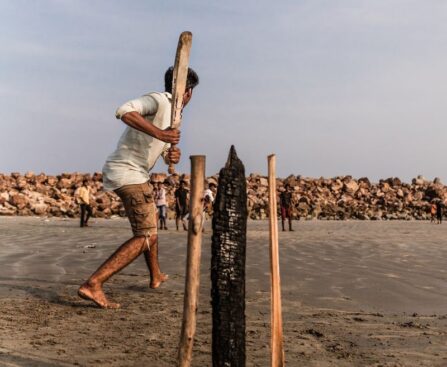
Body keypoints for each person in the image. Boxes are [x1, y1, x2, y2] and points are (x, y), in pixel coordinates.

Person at [78, 66, 199, 308]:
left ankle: (155, 275)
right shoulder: (160, 100)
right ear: (186, 92)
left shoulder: (175, 116)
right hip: (128, 172)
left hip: (136, 173)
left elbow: (162, 150)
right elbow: (124, 111)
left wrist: (170, 154)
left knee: (150, 226)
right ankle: (94, 283)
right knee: (146, 235)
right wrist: (162, 135)